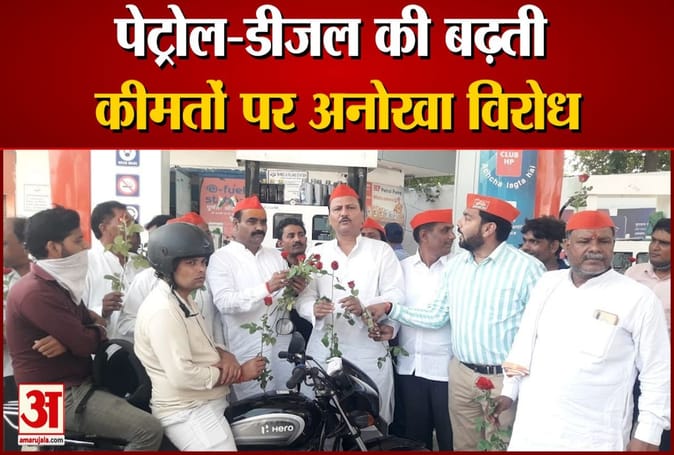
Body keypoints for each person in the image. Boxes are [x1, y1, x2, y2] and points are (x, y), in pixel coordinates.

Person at [367, 193, 546, 450]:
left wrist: (515, 384)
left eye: (467, 218)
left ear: (488, 228)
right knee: (462, 446)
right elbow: (436, 316)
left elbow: (539, 333)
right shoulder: (457, 266)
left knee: (501, 445)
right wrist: (390, 309)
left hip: (503, 380)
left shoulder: (528, 269)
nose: (459, 225)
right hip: (461, 375)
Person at [493, 210, 670, 451]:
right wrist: (509, 391)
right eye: (584, 241)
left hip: (596, 436)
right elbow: (524, 342)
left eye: (604, 241)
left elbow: (657, 371)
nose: (595, 249)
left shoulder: (639, 298)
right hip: (533, 429)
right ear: (566, 245)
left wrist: (649, 433)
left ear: (613, 245)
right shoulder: (548, 283)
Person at [5, 206, 163, 450]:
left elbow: (89, 324)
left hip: (67, 387)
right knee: (148, 430)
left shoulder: (56, 284)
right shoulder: (36, 292)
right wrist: (84, 334)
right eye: (77, 240)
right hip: (51, 397)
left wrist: (76, 334)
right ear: (53, 247)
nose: (85, 246)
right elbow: (85, 341)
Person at [134, 222, 264, 451]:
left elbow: (199, 341)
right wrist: (239, 374)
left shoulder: (182, 299)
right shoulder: (163, 310)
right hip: (187, 410)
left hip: (204, 402)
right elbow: (182, 375)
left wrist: (223, 353)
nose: (201, 269)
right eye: (191, 263)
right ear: (168, 264)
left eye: (203, 262)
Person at [296, 184, 404, 425]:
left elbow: (396, 294)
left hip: (368, 350)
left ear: (362, 215)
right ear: (330, 218)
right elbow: (303, 298)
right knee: (324, 422)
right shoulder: (317, 254)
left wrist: (365, 306)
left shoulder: (381, 252)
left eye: (350, 207)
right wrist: (312, 309)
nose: (344, 213)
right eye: (338, 209)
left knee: (372, 421)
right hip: (324, 352)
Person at [206, 195, 305, 400]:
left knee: (285, 402)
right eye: (252, 221)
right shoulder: (221, 259)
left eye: (263, 222)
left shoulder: (276, 256)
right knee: (255, 407)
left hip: (280, 347)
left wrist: (295, 291)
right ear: (235, 224)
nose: (259, 227)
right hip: (246, 349)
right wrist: (266, 288)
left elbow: (283, 301)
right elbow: (224, 303)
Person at [393, 209, 455, 451]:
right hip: (410, 369)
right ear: (424, 235)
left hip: (446, 371)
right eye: (445, 230)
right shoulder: (401, 269)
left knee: (450, 439)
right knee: (415, 440)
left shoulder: (457, 268)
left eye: (451, 230)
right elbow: (394, 309)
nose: (452, 236)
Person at [117, 212, 224, 345]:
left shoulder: (210, 275)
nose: (205, 240)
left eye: (207, 233)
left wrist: (220, 349)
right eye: (196, 235)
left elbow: (215, 322)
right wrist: (164, 330)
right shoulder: (146, 279)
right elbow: (125, 323)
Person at [625, 217, 671, 451]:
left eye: (664, 243)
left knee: (659, 434)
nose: (655, 247)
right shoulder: (633, 274)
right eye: (653, 240)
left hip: (663, 371)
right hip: (630, 368)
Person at [83, 200, 147, 337]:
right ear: (103, 228)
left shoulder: (141, 263)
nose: (132, 228)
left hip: (142, 345)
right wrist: (102, 310)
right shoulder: (87, 263)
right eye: (125, 222)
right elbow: (75, 312)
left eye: (133, 223)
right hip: (106, 345)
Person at [3, 217, 31, 451]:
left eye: (4, 243)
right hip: (9, 376)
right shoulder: (7, 281)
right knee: (11, 442)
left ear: (25, 244)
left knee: (41, 441)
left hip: (41, 377)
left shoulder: (50, 281)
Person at [275, 217, 313, 344]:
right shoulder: (275, 269)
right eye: (291, 236)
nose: (297, 239)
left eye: (301, 235)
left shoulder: (315, 267)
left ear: (306, 240)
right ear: (280, 243)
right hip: (280, 331)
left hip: (310, 331)